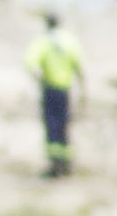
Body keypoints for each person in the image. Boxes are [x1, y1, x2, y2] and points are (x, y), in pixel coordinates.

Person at [28, 13, 81, 178]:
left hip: (50, 88)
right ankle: (66, 165)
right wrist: (85, 88)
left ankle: (55, 165)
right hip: (65, 89)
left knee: (52, 125)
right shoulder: (69, 40)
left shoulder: (44, 41)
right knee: (64, 125)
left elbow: (29, 63)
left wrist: (39, 78)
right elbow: (79, 65)